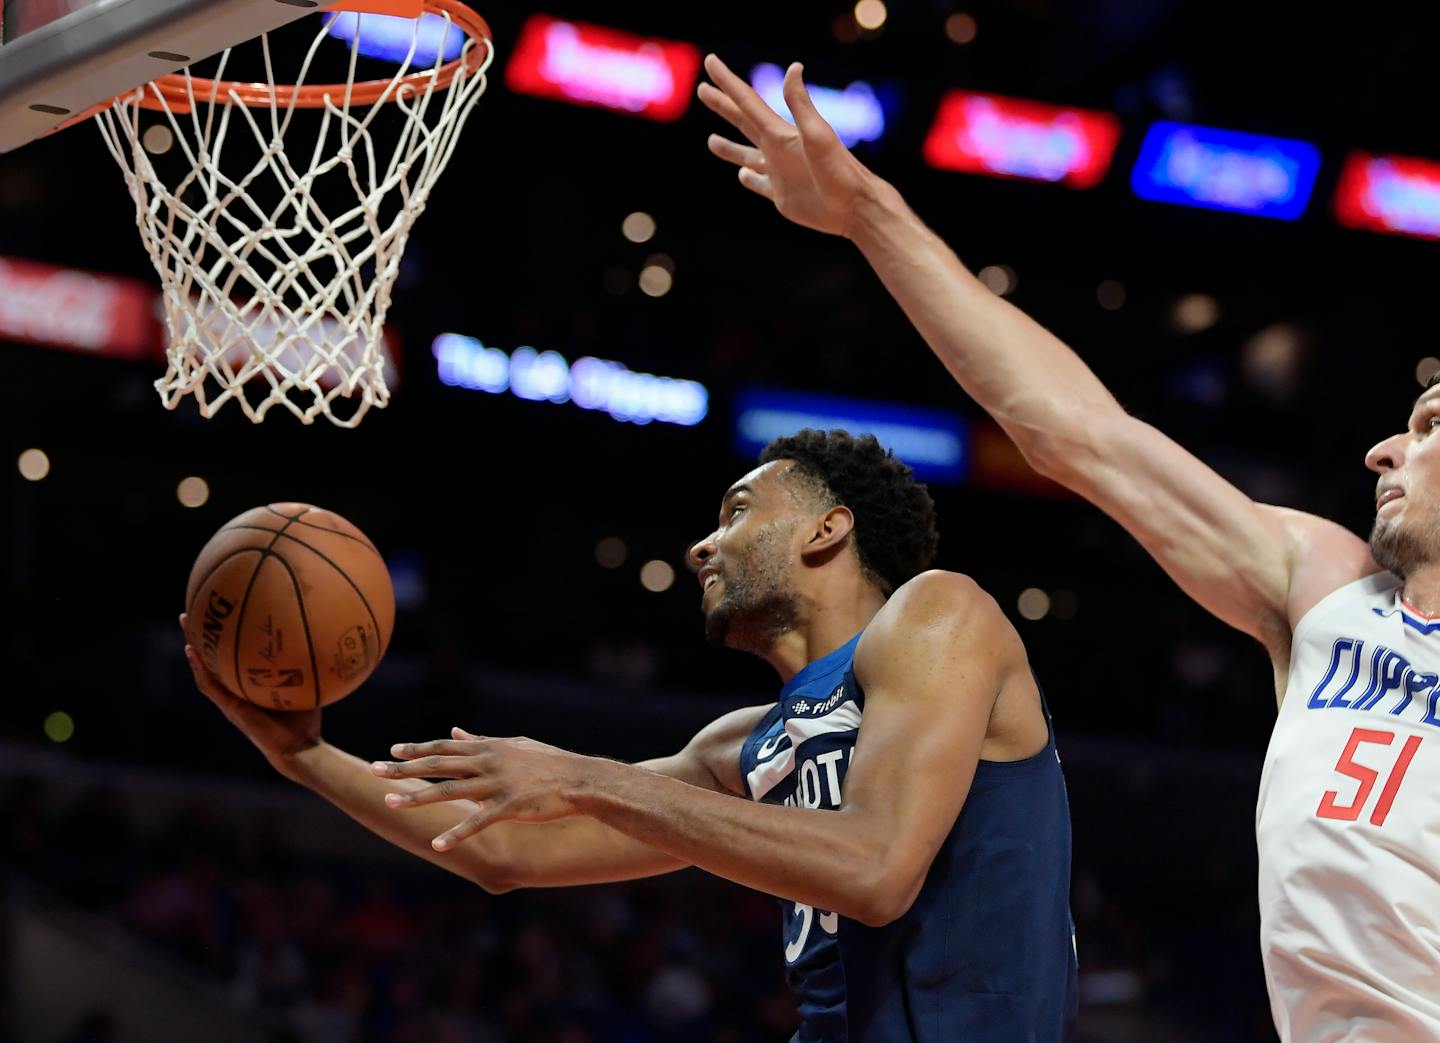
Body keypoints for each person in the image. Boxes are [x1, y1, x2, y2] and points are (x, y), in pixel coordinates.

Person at [695, 52, 1440, 1042]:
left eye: (1432, 425)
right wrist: (872, 216)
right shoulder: (1330, 591)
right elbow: (1073, 430)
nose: (1388, 445)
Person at [184, 428, 1077, 1042]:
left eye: (735, 511)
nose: (700, 545)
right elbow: (506, 853)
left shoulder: (938, 612)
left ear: (827, 527)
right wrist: (301, 755)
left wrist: (587, 776)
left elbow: (876, 868)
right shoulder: (745, 744)